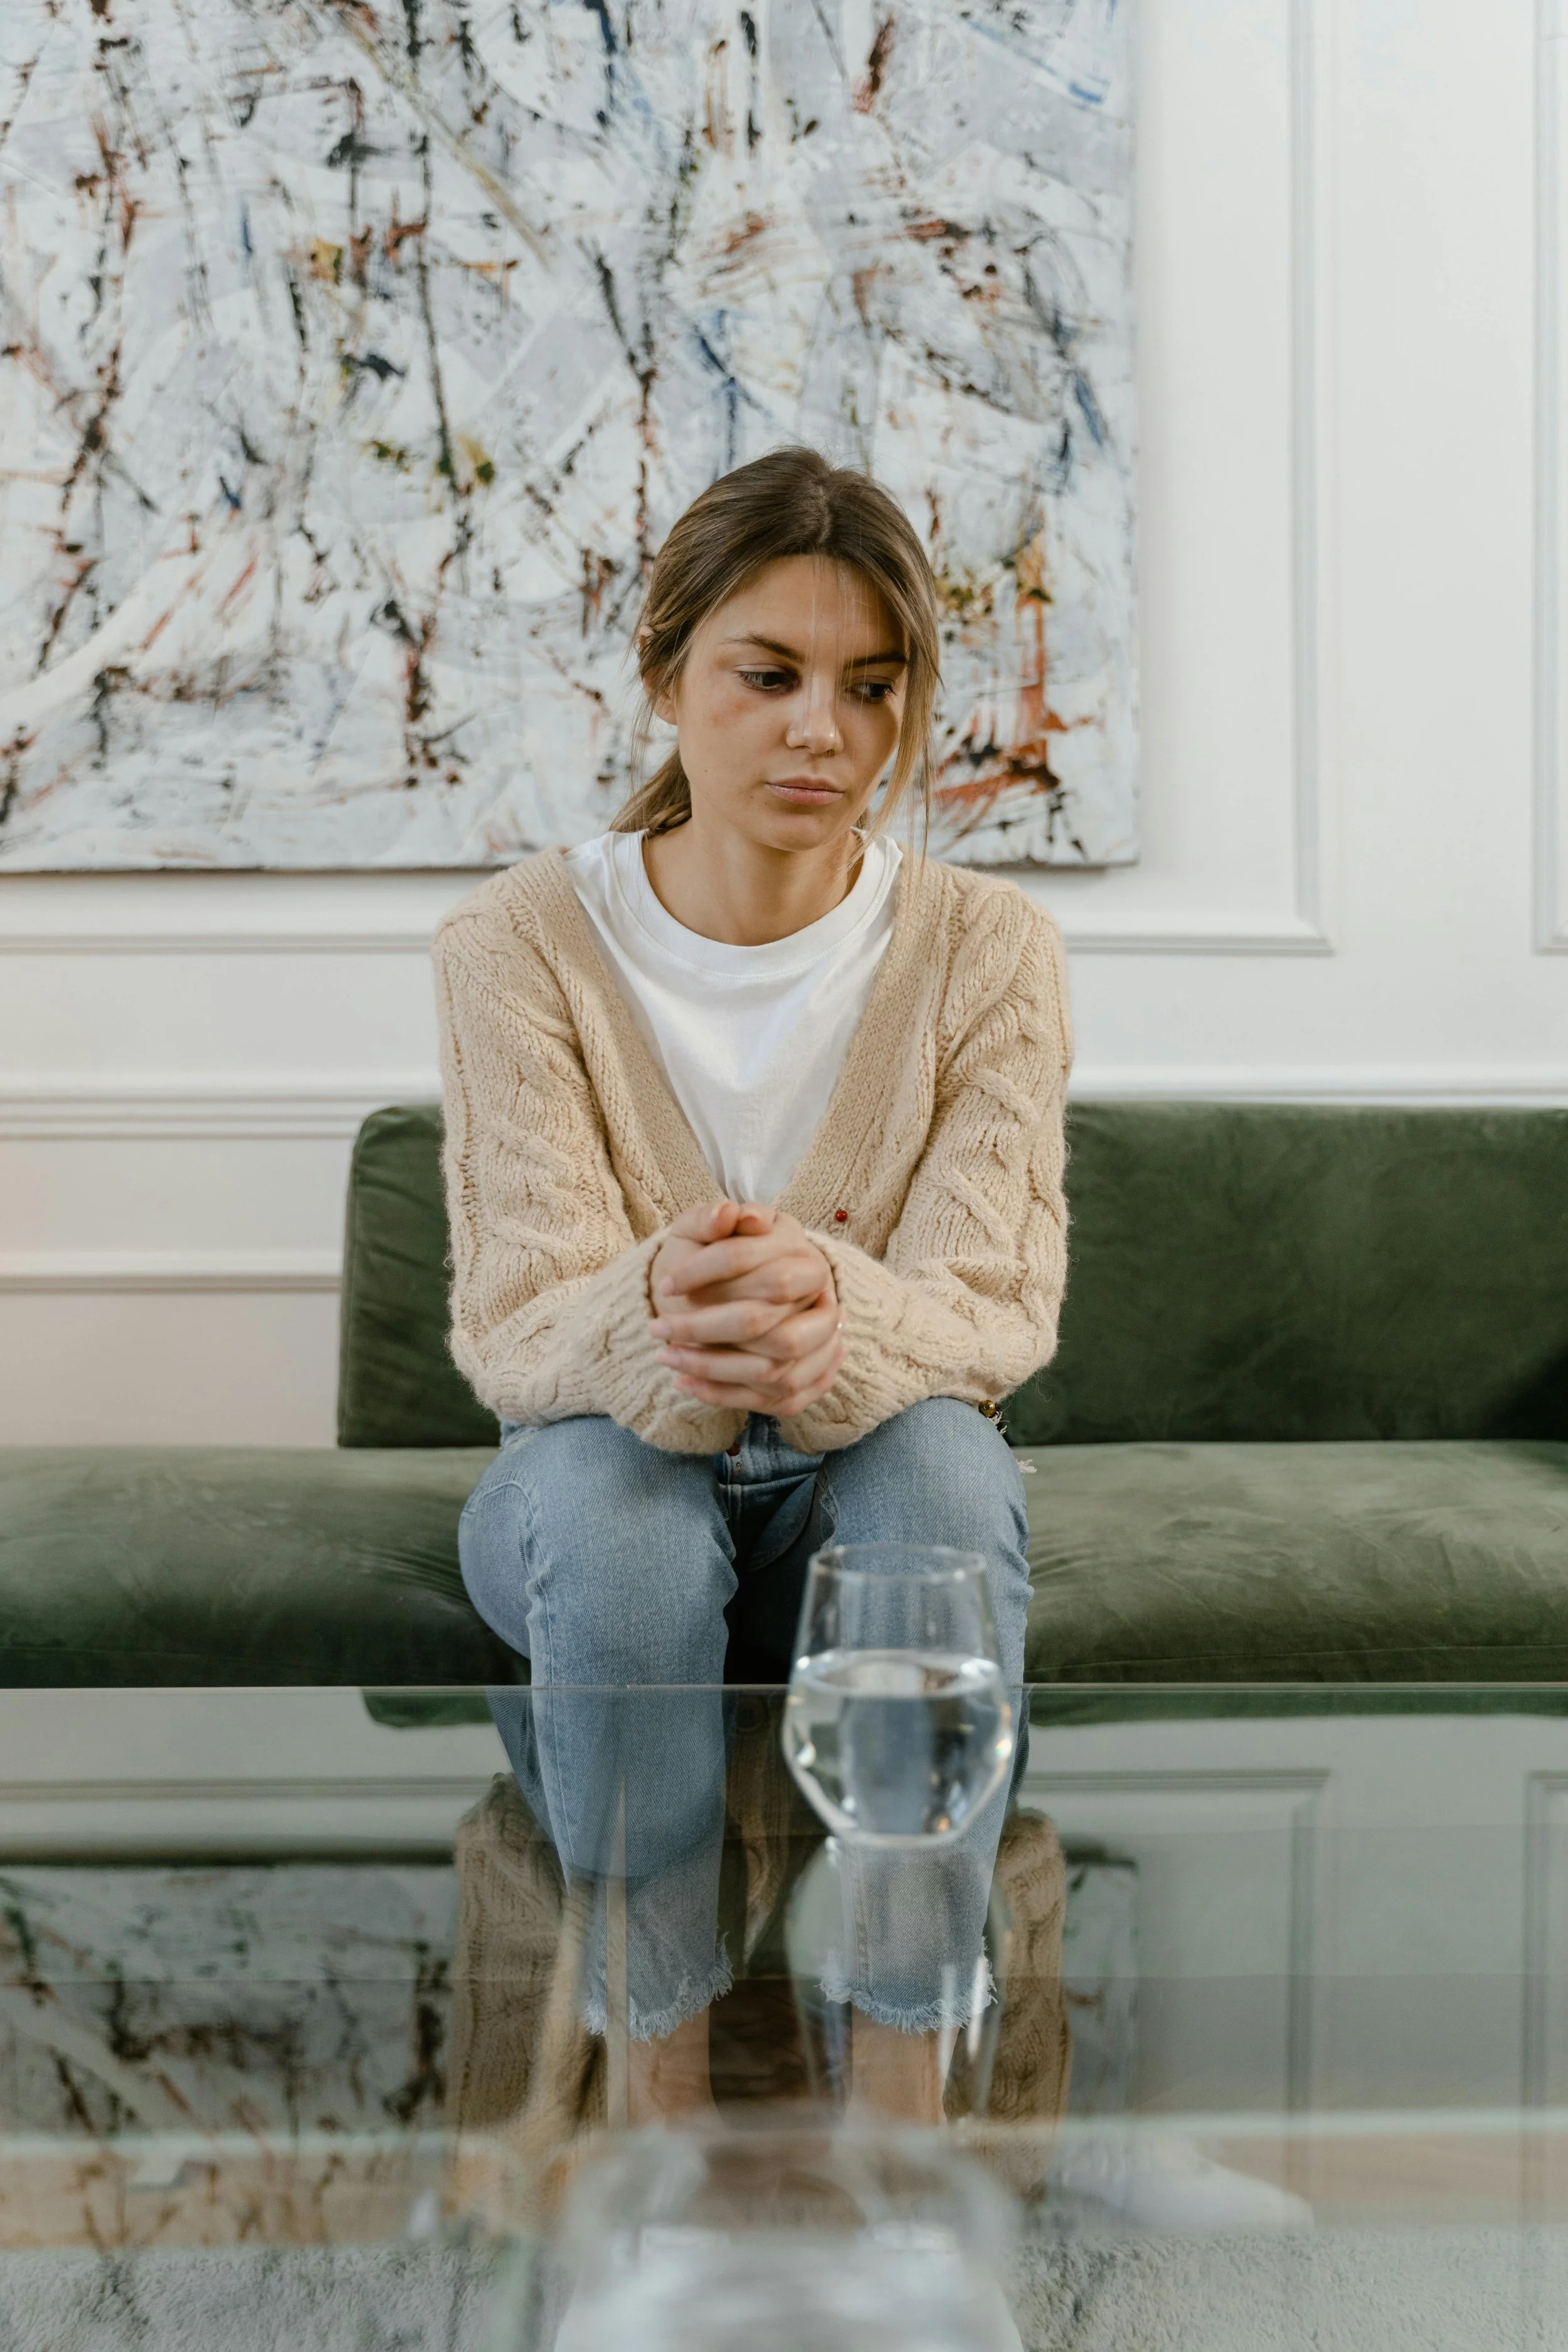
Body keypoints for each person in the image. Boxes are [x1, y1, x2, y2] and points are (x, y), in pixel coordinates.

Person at [435, 443, 1074, 2126]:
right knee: (619, 1506)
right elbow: (518, 1320)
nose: (825, 731)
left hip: (860, 1505)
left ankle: (898, 2064)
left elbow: (988, 1306)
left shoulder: (986, 948)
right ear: (665, 675)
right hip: (584, 1483)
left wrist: (831, 1314)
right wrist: (676, 1305)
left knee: (941, 1453)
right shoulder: (516, 943)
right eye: (768, 674)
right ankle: (654, 2076)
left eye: (872, 687)